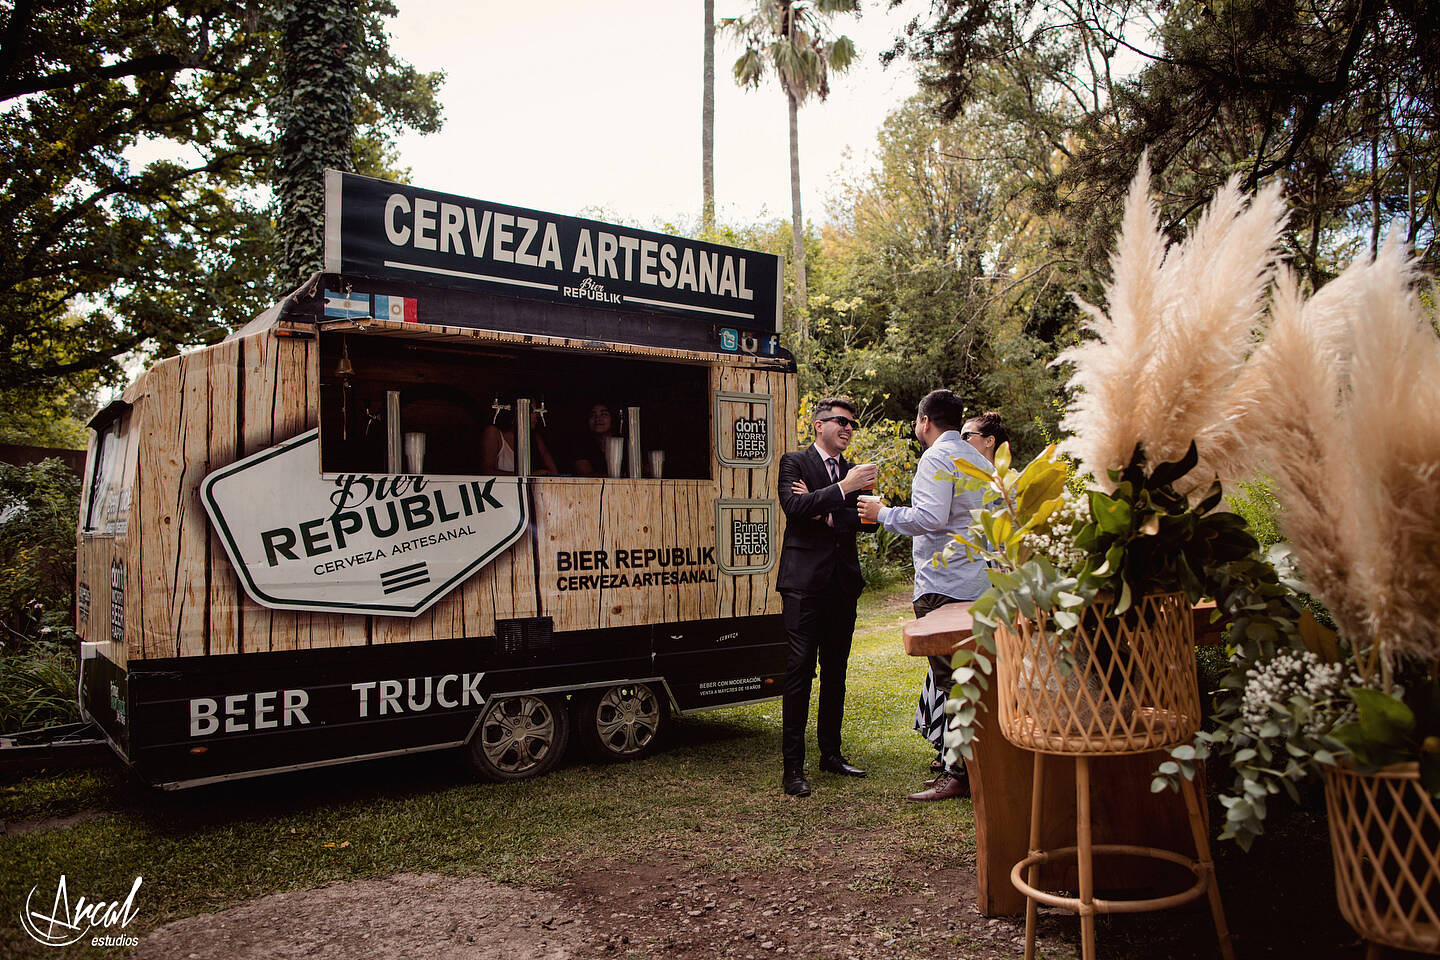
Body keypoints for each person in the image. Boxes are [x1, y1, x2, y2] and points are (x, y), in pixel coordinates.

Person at [858, 398, 1007, 802]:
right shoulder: (980, 461)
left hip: (944, 586)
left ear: (924, 421)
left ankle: (961, 774)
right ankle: (969, 766)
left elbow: (930, 518)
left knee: (953, 682)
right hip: (979, 585)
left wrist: (882, 512)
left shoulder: (936, 457)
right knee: (973, 677)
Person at [775, 397, 878, 797]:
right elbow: (793, 506)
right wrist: (843, 491)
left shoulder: (858, 470)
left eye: (852, 423)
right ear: (819, 425)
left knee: (836, 671)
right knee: (800, 670)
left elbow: (867, 521)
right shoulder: (795, 462)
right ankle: (793, 768)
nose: (849, 428)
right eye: (841, 421)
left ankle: (830, 755)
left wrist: (827, 509)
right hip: (803, 584)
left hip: (843, 584)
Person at [481, 399, 558, 476]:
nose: (536, 415)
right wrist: (529, 475)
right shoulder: (494, 433)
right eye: (531, 411)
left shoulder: (536, 439)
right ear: (516, 411)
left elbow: (553, 472)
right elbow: (487, 472)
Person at [572, 403, 620, 477]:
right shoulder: (582, 446)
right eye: (592, 415)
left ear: (612, 419)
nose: (598, 419)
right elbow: (586, 475)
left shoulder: (623, 445)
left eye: (604, 414)